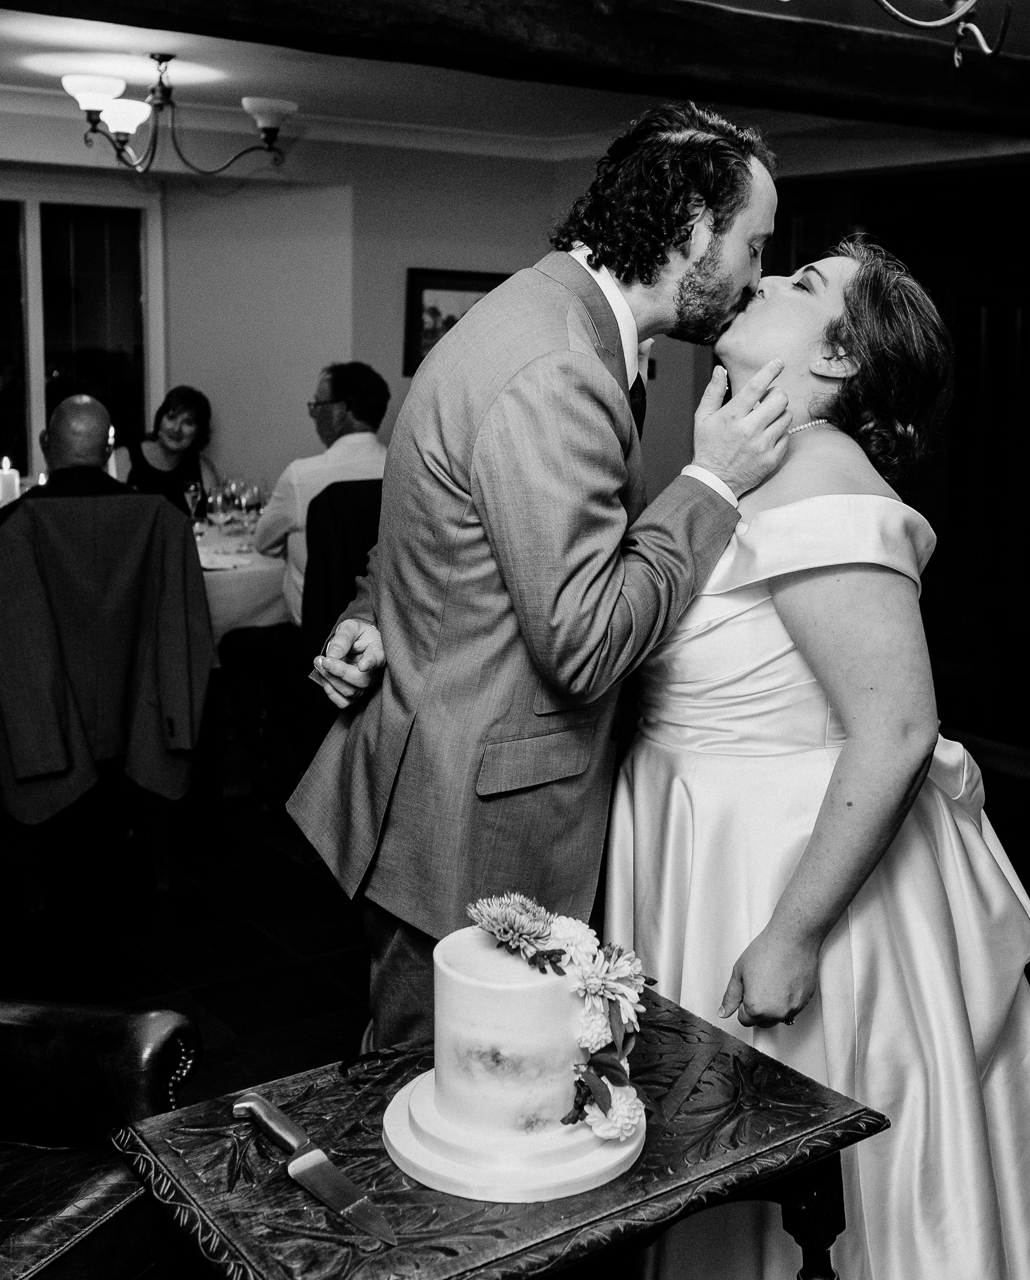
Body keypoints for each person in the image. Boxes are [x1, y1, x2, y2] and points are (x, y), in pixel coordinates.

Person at [605, 238, 1030, 1278]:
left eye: (802, 284)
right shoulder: (746, 454)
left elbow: (895, 728)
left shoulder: (818, 465)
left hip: (775, 861)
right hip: (692, 828)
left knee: (792, 1163)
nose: (761, 279)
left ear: (845, 360)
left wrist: (794, 933)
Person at [288, 102, 796, 1048]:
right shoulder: (556, 363)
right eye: (755, 249)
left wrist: (371, 608)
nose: (756, 279)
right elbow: (585, 644)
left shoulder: (550, 317)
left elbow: (445, 524)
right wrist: (713, 481)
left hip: (442, 778)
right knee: (448, 1103)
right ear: (692, 233)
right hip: (469, 820)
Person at [0, 394, 132, 647]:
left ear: (44, 443)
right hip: (130, 671)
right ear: (108, 451)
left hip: (33, 676)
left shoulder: (10, 520)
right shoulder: (149, 513)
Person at [255, 362, 392, 625]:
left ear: (340, 411)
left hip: (317, 637)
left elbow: (263, 543)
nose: (314, 414)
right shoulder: (401, 471)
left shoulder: (301, 476)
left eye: (318, 405)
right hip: (381, 630)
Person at [114, 385, 222, 514]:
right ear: (160, 420)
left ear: (198, 433)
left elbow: (218, 517)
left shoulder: (202, 469)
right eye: (171, 418)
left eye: (188, 423)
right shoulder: (125, 457)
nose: (176, 428)